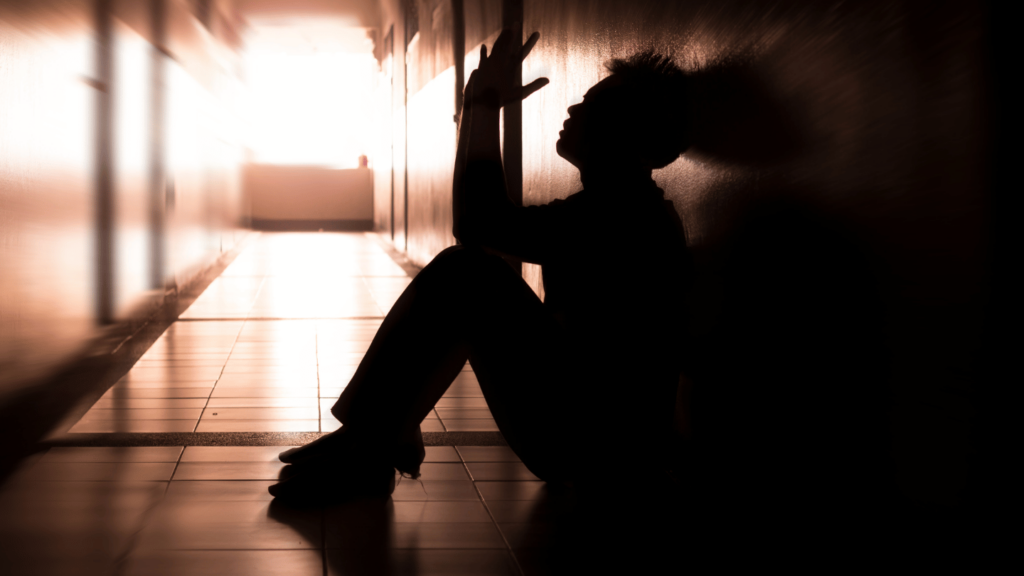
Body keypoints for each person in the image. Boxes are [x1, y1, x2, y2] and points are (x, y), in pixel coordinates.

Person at [269, 28, 693, 503]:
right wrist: (477, 104)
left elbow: (477, 222)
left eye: (590, 104)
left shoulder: (628, 216)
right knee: (469, 273)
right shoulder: (620, 207)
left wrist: (484, 105)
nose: (573, 110)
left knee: (468, 276)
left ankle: (372, 442)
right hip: (595, 440)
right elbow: (478, 222)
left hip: (602, 450)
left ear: (623, 131)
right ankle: (375, 437)